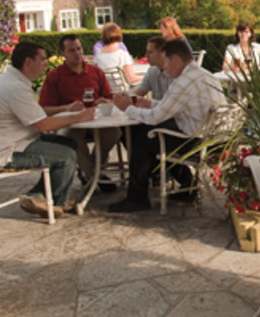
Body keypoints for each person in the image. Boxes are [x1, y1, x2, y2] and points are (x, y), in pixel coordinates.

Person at [0, 42, 95, 218]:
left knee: (69, 143)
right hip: (8, 150)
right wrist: (79, 117)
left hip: (10, 140)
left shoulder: (8, 79)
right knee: (65, 155)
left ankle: (39, 196)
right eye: (42, 60)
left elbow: (34, 112)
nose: (45, 64)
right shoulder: (16, 88)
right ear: (28, 62)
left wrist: (65, 109)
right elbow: (43, 125)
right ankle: (56, 202)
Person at [108, 40, 226, 212]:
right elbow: (169, 107)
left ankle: (137, 198)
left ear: (176, 59)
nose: (164, 67)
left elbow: (156, 118)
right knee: (147, 132)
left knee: (143, 139)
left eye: (166, 62)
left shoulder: (183, 82)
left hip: (198, 143)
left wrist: (128, 108)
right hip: (215, 140)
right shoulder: (204, 74)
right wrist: (149, 104)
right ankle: (188, 186)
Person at [39, 34, 121, 192]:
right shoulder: (54, 76)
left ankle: (89, 172)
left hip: (96, 119)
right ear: (62, 53)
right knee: (69, 135)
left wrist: (105, 102)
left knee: (115, 132)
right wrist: (66, 108)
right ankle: (97, 176)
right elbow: (44, 108)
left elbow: (111, 99)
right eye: (71, 50)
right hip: (70, 122)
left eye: (79, 48)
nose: (77, 53)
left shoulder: (95, 72)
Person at [133, 35, 172, 103]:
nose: (146, 56)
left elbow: (173, 104)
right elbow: (140, 92)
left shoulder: (176, 73)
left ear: (163, 54)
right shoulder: (152, 70)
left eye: (150, 52)